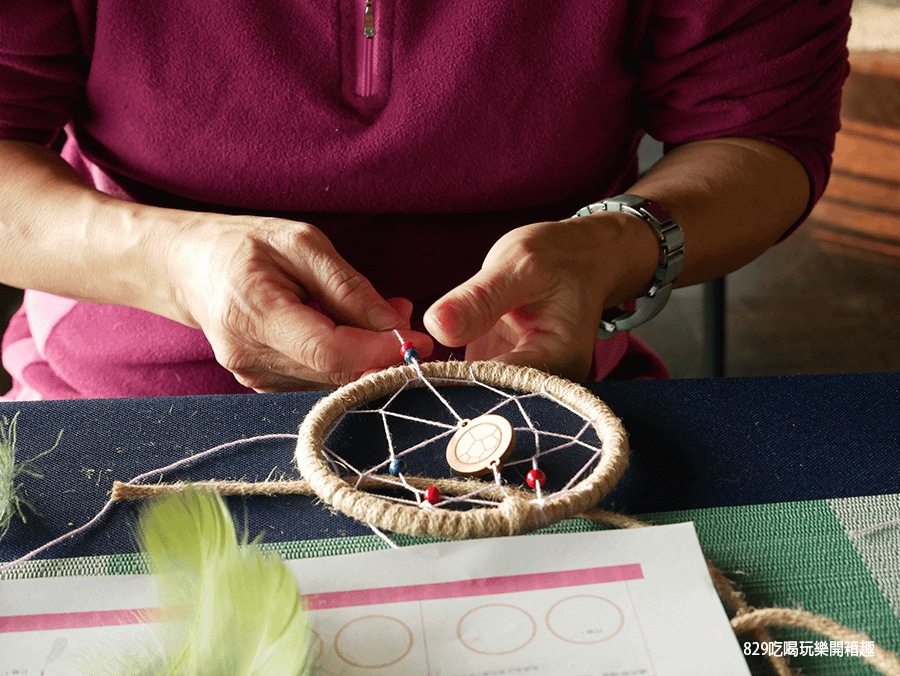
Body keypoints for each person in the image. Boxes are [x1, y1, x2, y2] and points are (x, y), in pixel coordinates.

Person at [0, 0, 851, 400]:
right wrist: (173, 264)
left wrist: (612, 248)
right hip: (120, 404)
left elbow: (763, 131)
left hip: (548, 402)